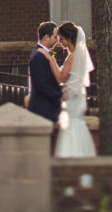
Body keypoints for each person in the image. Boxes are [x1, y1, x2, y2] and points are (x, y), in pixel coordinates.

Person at [39, 20, 96, 157]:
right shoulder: (78, 55)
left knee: (72, 125)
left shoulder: (73, 56)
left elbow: (60, 78)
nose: (61, 43)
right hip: (77, 97)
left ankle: (71, 154)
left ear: (69, 38)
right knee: (76, 124)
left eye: (62, 39)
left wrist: (49, 57)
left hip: (72, 99)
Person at [27, 21, 63, 123]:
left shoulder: (46, 52)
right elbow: (41, 84)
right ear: (46, 37)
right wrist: (59, 94)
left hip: (48, 109)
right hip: (42, 109)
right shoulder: (38, 56)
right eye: (55, 37)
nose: (57, 40)